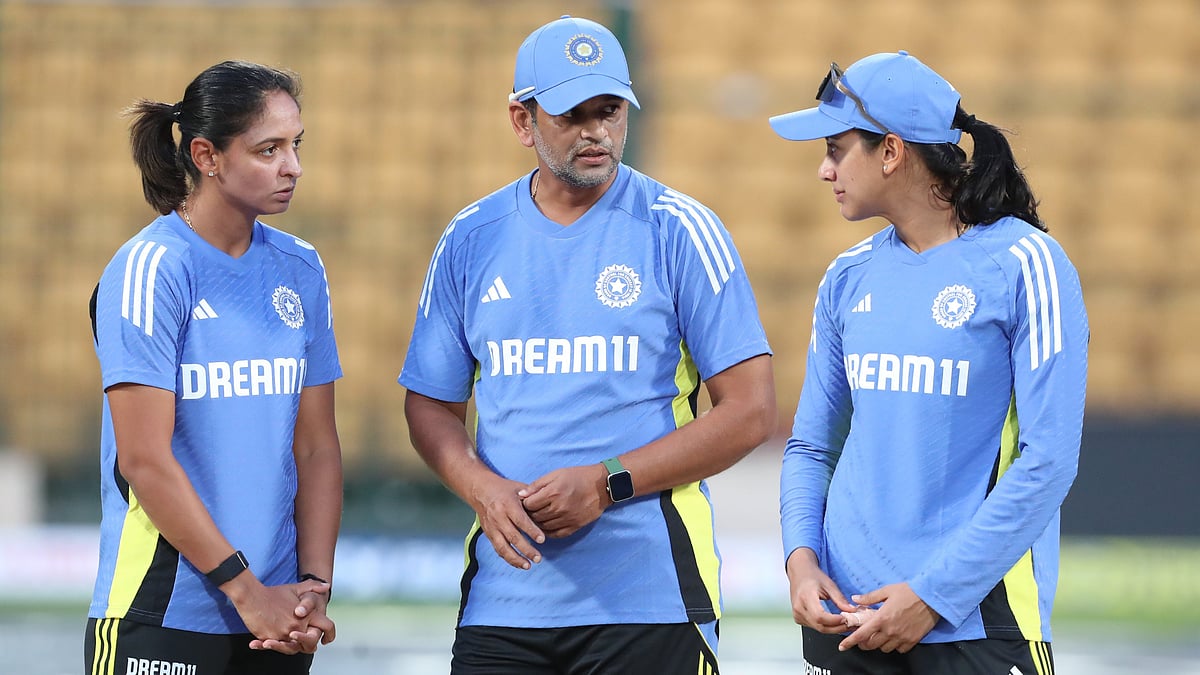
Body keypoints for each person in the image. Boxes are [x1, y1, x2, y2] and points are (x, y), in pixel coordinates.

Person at [399, 15, 776, 674]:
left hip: (651, 596)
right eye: (573, 114)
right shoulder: (470, 238)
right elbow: (429, 405)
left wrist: (607, 484)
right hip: (504, 602)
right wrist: (483, 489)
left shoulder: (681, 229)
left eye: (610, 110)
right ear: (522, 122)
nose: (597, 131)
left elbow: (749, 411)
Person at [768, 51, 1089, 674]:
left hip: (979, 625)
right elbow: (811, 445)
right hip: (848, 621)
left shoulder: (1028, 265)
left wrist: (933, 596)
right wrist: (800, 560)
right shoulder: (846, 277)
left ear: (891, 152)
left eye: (836, 149)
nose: (823, 169)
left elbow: (1049, 461)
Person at [85, 60, 342, 675]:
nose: (293, 167)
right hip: (164, 612)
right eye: (269, 149)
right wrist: (246, 593)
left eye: (296, 145)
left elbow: (316, 448)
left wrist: (312, 588)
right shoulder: (152, 269)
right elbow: (144, 459)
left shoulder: (301, 269)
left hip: (279, 617)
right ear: (207, 155)